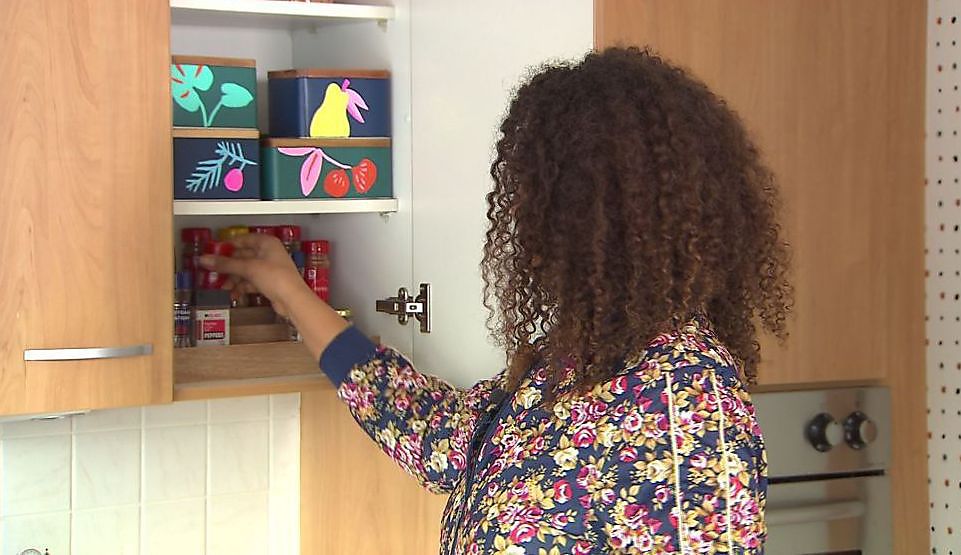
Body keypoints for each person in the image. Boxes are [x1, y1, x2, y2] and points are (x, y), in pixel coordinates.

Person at [200, 47, 791, 555]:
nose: (522, 226)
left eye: (534, 198)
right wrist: (289, 292)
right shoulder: (572, 364)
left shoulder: (687, 398)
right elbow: (434, 435)